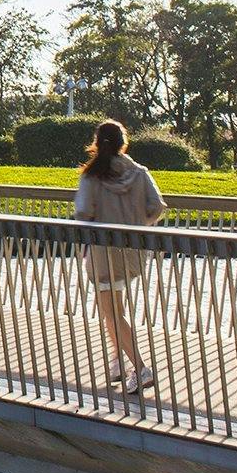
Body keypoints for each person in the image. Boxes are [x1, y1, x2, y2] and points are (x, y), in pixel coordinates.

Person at [73, 119, 166, 395]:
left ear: (96, 142)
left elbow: (83, 212)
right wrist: (137, 223)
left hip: (103, 252)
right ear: (123, 143)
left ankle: (140, 368)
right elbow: (157, 206)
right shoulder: (139, 172)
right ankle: (117, 360)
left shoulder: (92, 176)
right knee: (115, 309)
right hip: (132, 249)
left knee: (112, 312)